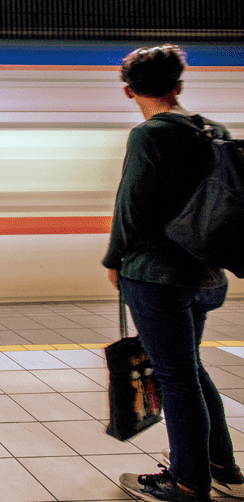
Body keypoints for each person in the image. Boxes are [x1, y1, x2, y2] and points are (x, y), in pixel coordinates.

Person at [105, 46, 243, 502]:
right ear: (179, 86)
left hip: (156, 276)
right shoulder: (212, 131)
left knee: (177, 377)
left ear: (129, 91)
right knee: (189, 369)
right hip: (205, 274)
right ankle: (221, 466)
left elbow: (131, 207)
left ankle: (186, 482)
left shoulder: (149, 135)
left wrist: (113, 261)